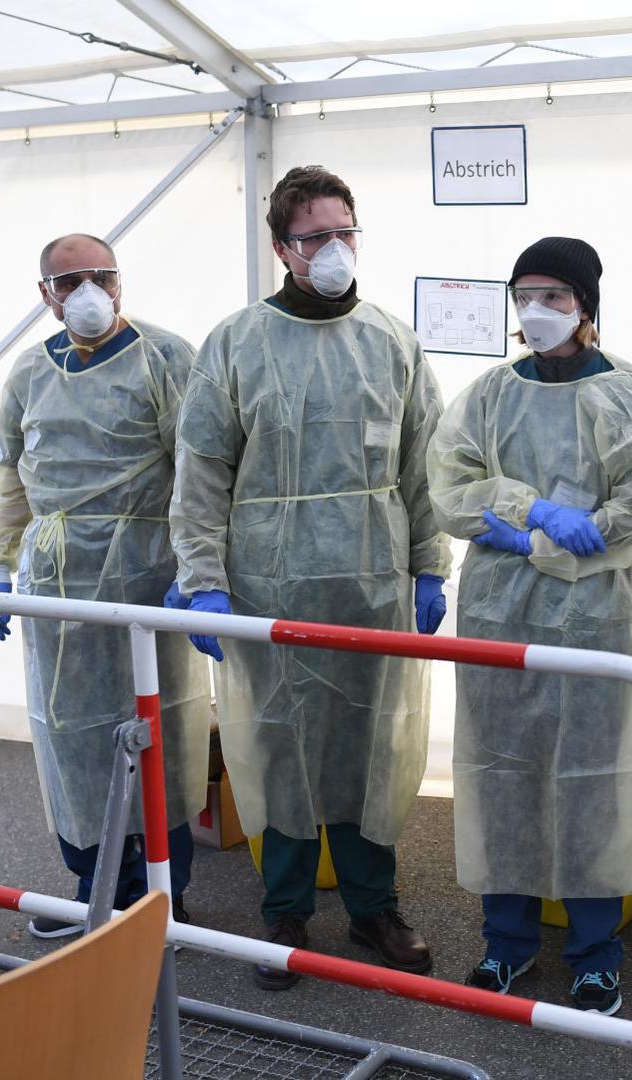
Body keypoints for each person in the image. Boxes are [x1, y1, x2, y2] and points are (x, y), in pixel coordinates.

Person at [170, 165, 450, 990]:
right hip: (270, 580)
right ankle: (283, 912)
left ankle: (373, 907)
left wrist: (431, 564)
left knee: (371, 742)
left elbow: (424, 465)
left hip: (371, 574)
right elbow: (202, 472)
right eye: (314, 236)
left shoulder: (391, 340)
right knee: (279, 743)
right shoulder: (236, 342)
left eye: (344, 231)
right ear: (281, 248)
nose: (333, 250)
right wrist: (203, 579)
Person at [427, 237, 632, 1016]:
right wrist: (537, 513)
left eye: (554, 296)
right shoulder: (491, 393)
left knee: (591, 777)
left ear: (586, 305)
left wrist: (523, 535)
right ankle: (507, 945)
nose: (536, 311)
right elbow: (449, 488)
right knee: (503, 774)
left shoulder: (627, 391)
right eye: (524, 295)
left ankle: (595, 954)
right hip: (497, 610)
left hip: (594, 614)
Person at [0, 233, 209, 938]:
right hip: (56, 578)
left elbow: (199, 469)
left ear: (120, 283)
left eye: (100, 276)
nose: (87, 293)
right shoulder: (28, 372)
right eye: (69, 280)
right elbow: (7, 473)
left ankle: (160, 890)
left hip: (146, 570)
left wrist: (198, 572)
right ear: (45, 296)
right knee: (72, 732)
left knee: (156, 723)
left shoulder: (165, 357)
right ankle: (92, 881)